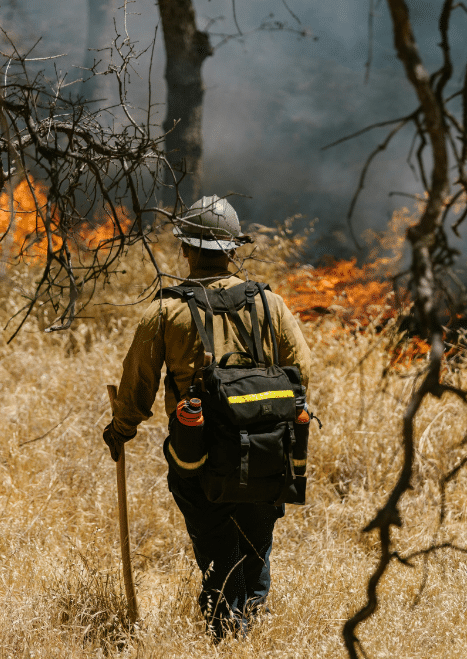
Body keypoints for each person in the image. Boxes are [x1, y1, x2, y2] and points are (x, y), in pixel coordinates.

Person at [102, 195, 312, 639]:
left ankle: (226, 636)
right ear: (234, 250)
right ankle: (251, 630)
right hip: (268, 455)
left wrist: (120, 430)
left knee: (217, 555)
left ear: (185, 249)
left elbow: (138, 387)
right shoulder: (270, 305)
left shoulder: (165, 311)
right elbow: (302, 372)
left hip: (199, 459)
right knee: (256, 552)